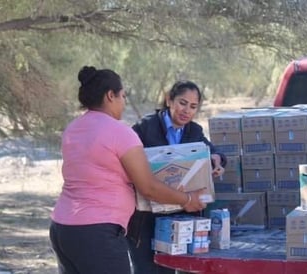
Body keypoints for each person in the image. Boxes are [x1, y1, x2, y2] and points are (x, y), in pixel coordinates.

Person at [49, 66, 208, 274]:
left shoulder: (73, 128)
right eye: (122, 96)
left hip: (62, 228)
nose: (124, 102)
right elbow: (148, 187)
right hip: (97, 232)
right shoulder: (119, 132)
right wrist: (187, 199)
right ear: (110, 96)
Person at [127, 80, 227, 274]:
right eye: (182, 103)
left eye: (193, 107)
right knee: (148, 269)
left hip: (181, 215)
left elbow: (211, 152)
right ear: (169, 100)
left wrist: (218, 160)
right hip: (146, 218)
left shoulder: (194, 131)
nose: (186, 111)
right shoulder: (144, 128)